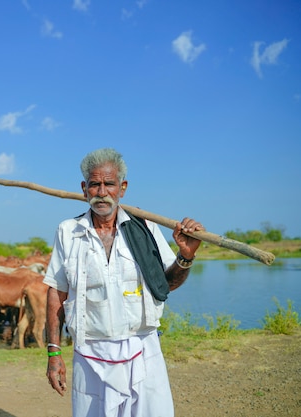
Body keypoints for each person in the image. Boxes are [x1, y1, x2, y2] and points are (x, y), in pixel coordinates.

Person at [43, 148, 204, 417]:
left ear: (123, 188)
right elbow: (55, 294)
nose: (102, 192)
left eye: (109, 184)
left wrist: (186, 256)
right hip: (90, 353)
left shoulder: (145, 228)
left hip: (143, 349)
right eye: (95, 184)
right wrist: (53, 354)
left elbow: (166, 285)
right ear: (84, 189)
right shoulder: (68, 232)